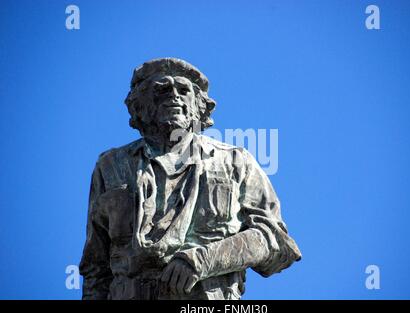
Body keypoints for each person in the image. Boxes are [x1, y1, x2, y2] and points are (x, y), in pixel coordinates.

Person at [79, 58, 301, 300]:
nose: (174, 95)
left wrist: (203, 260)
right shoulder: (111, 165)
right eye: (162, 89)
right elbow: (96, 268)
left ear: (199, 106)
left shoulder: (236, 162)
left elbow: (275, 241)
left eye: (183, 90)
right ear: (139, 105)